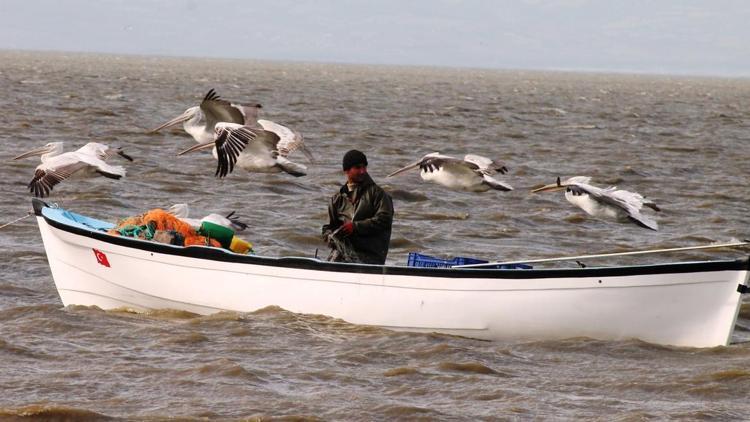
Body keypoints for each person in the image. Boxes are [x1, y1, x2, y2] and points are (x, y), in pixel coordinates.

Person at [322, 149, 394, 265]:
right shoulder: (337, 199)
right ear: (346, 170)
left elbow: (385, 219)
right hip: (342, 256)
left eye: (364, 167)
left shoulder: (378, 194)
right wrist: (333, 237)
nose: (363, 171)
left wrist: (355, 227)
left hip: (370, 258)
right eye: (358, 167)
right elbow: (327, 229)